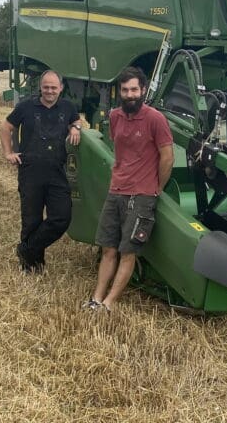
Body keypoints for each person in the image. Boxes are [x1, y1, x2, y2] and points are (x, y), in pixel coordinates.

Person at [86, 67, 174, 312]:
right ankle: (95, 299)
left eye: (134, 89)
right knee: (107, 248)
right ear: (120, 92)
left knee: (127, 251)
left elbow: (167, 157)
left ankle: (109, 303)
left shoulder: (155, 119)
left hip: (142, 196)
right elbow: (121, 151)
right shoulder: (115, 116)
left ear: (143, 90)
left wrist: (156, 188)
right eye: (125, 90)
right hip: (116, 190)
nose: (130, 94)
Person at [0, 70, 81, 274]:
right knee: (31, 220)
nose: (50, 91)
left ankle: (26, 249)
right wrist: (8, 152)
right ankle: (32, 266)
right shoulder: (26, 107)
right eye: (46, 87)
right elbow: (6, 126)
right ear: (40, 87)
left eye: (54, 87)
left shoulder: (67, 107)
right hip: (30, 171)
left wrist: (75, 128)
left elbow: (77, 121)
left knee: (61, 217)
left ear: (61, 88)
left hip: (57, 171)